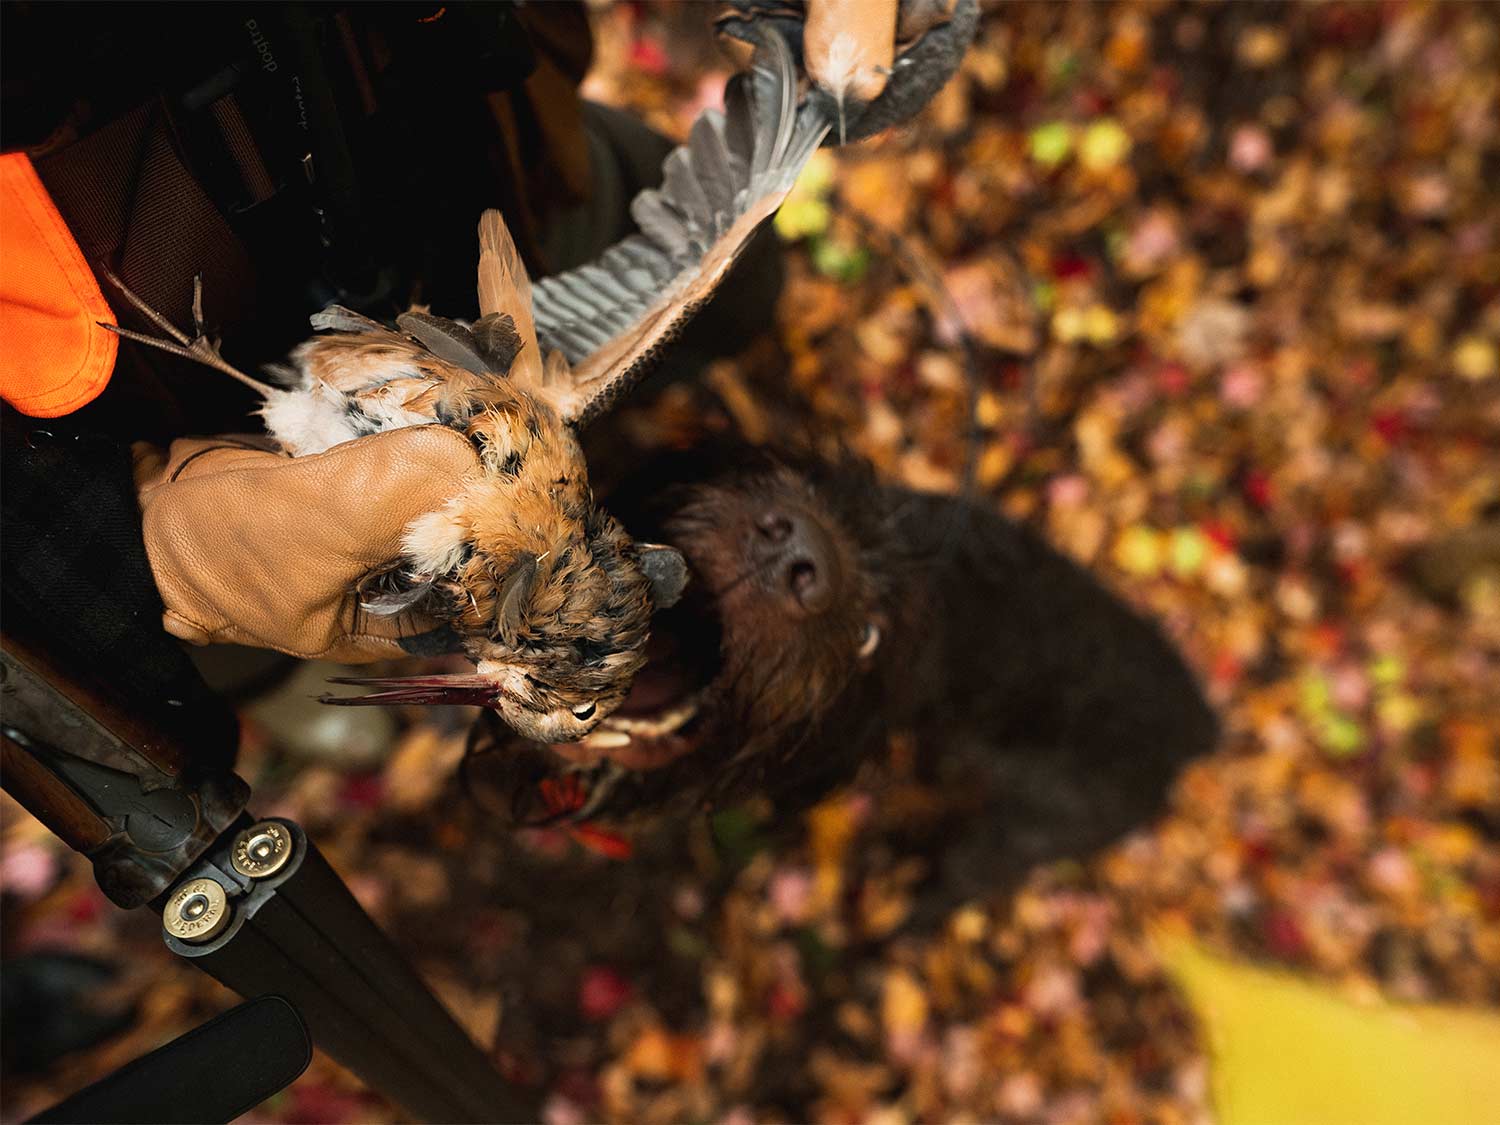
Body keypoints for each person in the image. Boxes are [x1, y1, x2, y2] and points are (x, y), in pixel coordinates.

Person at [0, 1, 975, 764]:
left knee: (737, 275)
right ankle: (266, 681)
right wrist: (141, 560)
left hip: (454, 126)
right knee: (236, 628)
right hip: (127, 338)